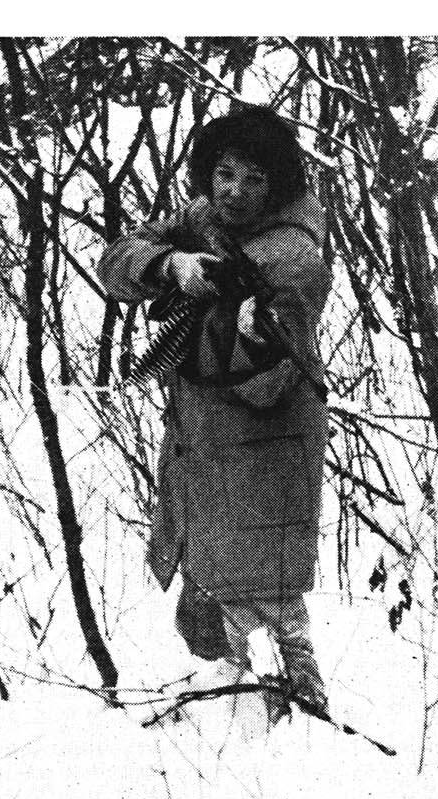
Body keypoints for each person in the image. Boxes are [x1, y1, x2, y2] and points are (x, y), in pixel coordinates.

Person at [101, 104, 332, 716]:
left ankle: (297, 725)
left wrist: (195, 294)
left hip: (266, 433)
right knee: (211, 588)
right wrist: (171, 265)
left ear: (277, 185)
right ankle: (237, 710)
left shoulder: (294, 250)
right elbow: (118, 261)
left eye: (254, 180)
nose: (235, 191)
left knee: (271, 592)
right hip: (205, 438)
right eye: (225, 173)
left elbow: (220, 350)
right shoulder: (204, 219)